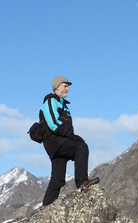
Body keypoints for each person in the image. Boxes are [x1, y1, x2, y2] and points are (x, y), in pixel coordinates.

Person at [39, 76, 99, 206]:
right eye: (65, 86)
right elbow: (53, 124)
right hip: (53, 141)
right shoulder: (50, 102)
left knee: (57, 179)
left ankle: (46, 207)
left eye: (67, 87)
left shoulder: (65, 106)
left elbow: (68, 127)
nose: (67, 89)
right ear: (57, 87)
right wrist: (73, 137)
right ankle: (82, 182)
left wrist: (71, 135)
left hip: (61, 141)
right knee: (81, 147)